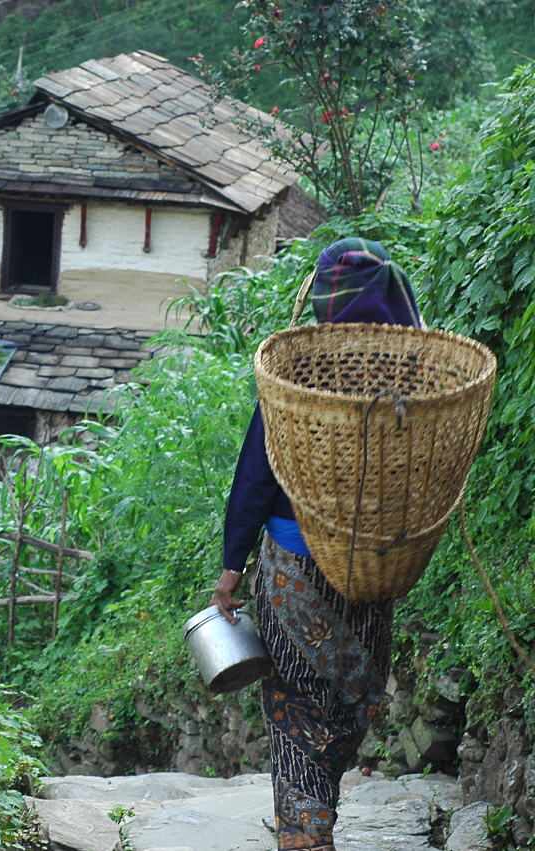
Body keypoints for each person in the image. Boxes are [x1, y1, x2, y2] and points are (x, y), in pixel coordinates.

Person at [210, 237, 423, 851]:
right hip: (374, 567)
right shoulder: (415, 379)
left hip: (293, 569)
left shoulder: (297, 375)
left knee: (296, 697)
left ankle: (306, 829)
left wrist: (230, 567)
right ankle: (313, 820)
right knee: (353, 693)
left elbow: (256, 477)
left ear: (325, 296)